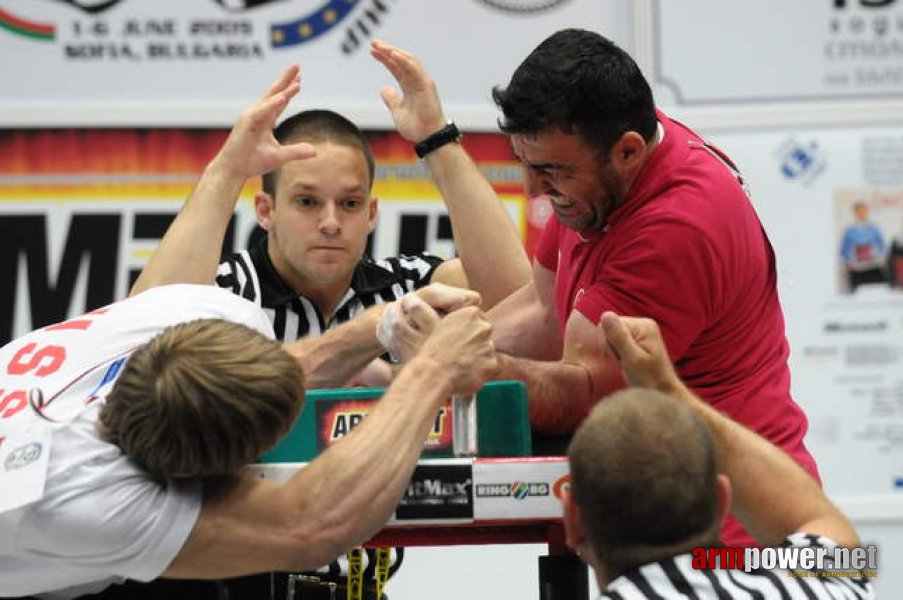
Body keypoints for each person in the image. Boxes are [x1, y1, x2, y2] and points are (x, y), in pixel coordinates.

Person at [369, 31, 819, 547]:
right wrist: (417, 363)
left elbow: (581, 395)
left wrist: (453, 365)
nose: (535, 189)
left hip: (745, 538)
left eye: (551, 171)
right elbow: (543, 312)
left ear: (627, 151)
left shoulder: (677, 225)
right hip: (683, 513)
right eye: (526, 163)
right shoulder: (606, 168)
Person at [127, 64, 529, 596]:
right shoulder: (225, 293)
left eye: (350, 203)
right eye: (307, 202)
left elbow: (517, 300)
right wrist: (228, 169)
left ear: (372, 214)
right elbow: (139, 331)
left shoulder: (407, 287)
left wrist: (438, 140)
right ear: (265, 209)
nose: (332, 222)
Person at [0, 282, 496, 599]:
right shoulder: (75, 498)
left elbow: (256, 374)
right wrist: (434, 373)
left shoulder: (188, 314)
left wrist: (383, 323)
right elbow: (310, 525)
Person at [562, 311, 875, 598]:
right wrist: (666, 387)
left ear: (573, 519)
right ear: (722, 500)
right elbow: (817, 519)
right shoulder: (821, 590)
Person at [840, 200, 887, 292]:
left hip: (874, 269)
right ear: (855, 213)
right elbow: (843, 252)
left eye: (864, 211)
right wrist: (850, 260)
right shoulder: (849, 231)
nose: (862, 213)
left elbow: (883, 248)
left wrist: (876, 254)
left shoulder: (875, 229)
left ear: (867, 212)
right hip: (857, 271)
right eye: (859, 211)